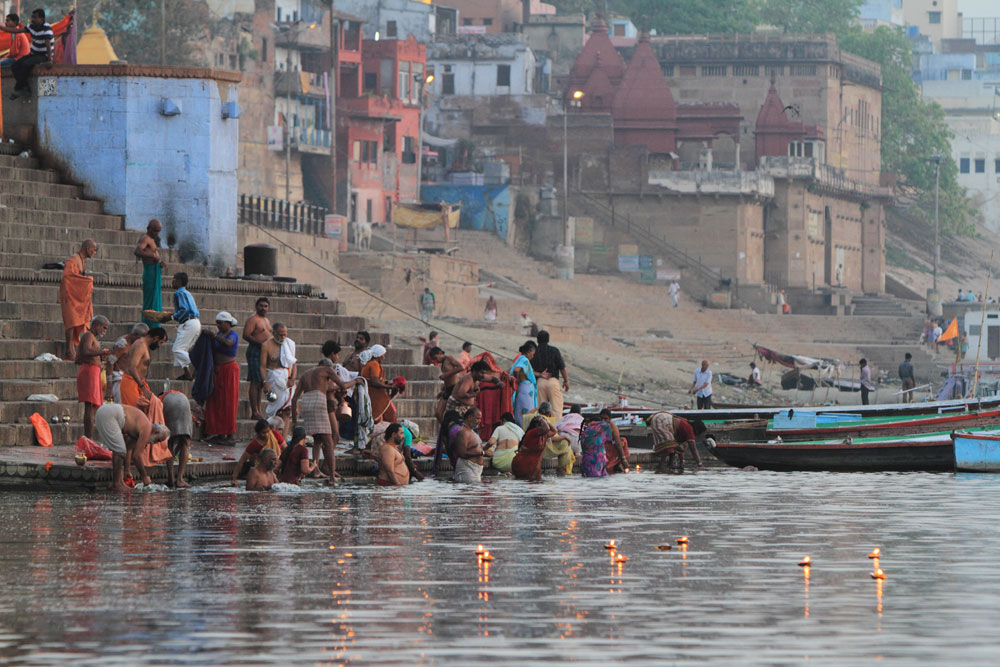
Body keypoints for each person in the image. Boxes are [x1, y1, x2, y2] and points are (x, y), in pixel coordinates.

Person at [291, 354, 358, 483]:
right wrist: (355, 382)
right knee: (328, 441)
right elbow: (343, 385)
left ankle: (316, 471)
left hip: (306, 403)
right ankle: (332, 477)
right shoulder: (327, 369)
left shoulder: (306, 374)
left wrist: (294, 421)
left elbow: (294, 399)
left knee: (317, 438)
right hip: (318, 401)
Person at [94, 403, 168, 493]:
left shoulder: (141, 427)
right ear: (156, 432)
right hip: (110, 414)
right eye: (158, 440)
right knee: (120, 451)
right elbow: (137, 456)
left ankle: (119, 483)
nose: (155, 443)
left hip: (105, 411)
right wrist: (144, 476)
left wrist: (127, 470)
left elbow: (128, 447)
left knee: (120, 450)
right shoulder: (147, 428)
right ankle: (116, 484)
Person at [203, 312, 240, 444]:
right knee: (216, 401)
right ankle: (219, 433)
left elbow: (228, 343)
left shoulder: (232, 335)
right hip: (218, 370)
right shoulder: (218, 334)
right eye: (217, 323)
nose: (218, 325)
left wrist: (213, 336)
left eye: (220, 323)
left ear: (227, 323)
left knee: (228, 402)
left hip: (229, 371)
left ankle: (230, 435)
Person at [0, 9, 54, 98]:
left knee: (25, 64)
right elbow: (15, 30)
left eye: (35, 17)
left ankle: (18, 88)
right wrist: (1, 27)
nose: (32, 19)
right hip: (33, 54)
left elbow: (48, 45)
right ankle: (25, 88)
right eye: (32, 17)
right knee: (15, 66)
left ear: (41, 18)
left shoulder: (46, 28)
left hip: (43, 55)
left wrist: (49, 60)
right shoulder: (31, 26)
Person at [59, 239, 97, 361]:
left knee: (75, 321)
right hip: (69, 295)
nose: (94, 252)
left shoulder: (81, 261)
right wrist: (88, 282)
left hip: (76, 296)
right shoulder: (72, 260)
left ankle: (71, 348)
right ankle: (68, 350)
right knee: (71, 321)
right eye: (94, 250)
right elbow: (68, 277)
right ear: (87, 248)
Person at [76, 315, 110, 439]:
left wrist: (101, 360)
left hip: (93, 371)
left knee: (94, 406)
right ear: (97, 326)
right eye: (104, 328)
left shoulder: (91, 338)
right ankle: (88, 438)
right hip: (88, 372)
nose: (105, 331)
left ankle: (88, 437)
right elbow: (85, 351)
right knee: (90, 406)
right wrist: (102, 352)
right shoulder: (88, 336)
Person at [121, 327, 168, 407]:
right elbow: (132, 368)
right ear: (156, 338)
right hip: (131, 382)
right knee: (134, 413)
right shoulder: (140, 345)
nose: (159, 346)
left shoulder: (144, 345)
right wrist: (142, 387)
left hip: (138, 383)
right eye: (161, 342)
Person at [242, 297, 271, 420]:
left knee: (260, 382)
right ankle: (254, 411)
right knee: (255, 381)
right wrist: (260, 344)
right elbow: (246, 335)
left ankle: (258, 410)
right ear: (256, 306)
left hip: (264, 353)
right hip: (255, 351)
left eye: (265, 306)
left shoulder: (266, 320)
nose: (263, 308)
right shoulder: (252, 319)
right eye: (261, 306)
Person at [231, 418, 284, 485]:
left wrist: (281, 462)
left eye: (268, 431)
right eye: (263, 432)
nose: (267, 435)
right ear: (258, 433)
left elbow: (287, 449)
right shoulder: (254, 444)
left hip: (277, 467)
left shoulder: (275, 434)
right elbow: (241, 461)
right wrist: (234, 479)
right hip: (264, 470)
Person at [261, 322, 296, 422]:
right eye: (281, 334)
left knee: (287, 411)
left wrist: (293, 378)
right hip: (274, 380)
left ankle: (283, 437)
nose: (283, 337)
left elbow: (294, 364)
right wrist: (265, 382)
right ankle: (273, 434)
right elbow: (262, 367)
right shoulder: (266, 345)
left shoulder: (289, 344)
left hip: (287, 380)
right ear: (274, 333)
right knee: (276, 411)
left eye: (285, 334)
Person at [106, 323, 149, 403]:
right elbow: (110, 362)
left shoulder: (138, 345)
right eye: (141, 338)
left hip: (132, 382)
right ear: (134, 335)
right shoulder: (122, 344)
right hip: (120, 382)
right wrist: (109, 386)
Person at [135, 219, 166, 327]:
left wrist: (160, 263)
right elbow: (137, 251)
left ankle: (155, 324)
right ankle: (148, 325)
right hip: (150, 273)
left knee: (155, 301)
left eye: (159, 231)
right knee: (149, 302)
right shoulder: (146, 239)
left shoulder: (152, 240)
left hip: (155, 271)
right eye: (155, 230)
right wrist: (152, 256)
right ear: (149, 228)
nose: (157, 233)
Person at [169, 272, 201, 381]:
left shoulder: (179, 293)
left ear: (179, 281)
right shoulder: (187, 293)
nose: (172, 281)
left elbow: (184, 309)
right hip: (195, 323)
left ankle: (199, 366)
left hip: (189, 323)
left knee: (177, 349)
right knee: (183, 349)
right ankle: (188, 374)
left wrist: (172, 317)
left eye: (174, 279)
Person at [162, 391, 195, 488]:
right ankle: (180, 479)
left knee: (170, 442)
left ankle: (171, 478)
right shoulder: (178, 394)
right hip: (184, 402)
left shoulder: (161, 399)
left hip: (169, 404)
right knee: (185, 443)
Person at [532, 330, 568, 418]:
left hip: (540, 383)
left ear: (537, 340)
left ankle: (541, 429)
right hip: (553, 382)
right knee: (556, 409)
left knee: (541, 411)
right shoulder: (554, 350)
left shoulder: (534, 352)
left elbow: (529, 370)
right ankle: (555, 430)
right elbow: (562, 368)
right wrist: (566, 381)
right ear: (548, 340)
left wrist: (540, 374)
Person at [511, 415, 558, 481]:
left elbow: (554, 430)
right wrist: (542, 419)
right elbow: (546, 428)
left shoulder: (544, 435)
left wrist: (545, 420)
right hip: (523, 464)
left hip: (532, 465)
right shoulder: (531, 433)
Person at [361, 344, 399, 424]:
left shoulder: (369, 364)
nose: (384, 358)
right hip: (375, 397)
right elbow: (375, 381)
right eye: (383, 355)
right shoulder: (374, 364)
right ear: (379, 355)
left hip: (370, 396)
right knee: (391, 418)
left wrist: (386, 383)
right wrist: (390, 387)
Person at [429, 346, 464, 421]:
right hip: (447, 390)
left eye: (435, 358)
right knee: (438, 413)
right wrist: (442, 391)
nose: (435, 360)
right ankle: (445, 429)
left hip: (454, 389)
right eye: (434, 359)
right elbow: (446, 380)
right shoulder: (442, 364)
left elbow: (461, 367)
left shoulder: (449, 358)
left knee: (453, 414)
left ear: (440, 353)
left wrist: (446, 374)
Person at [451, 407, 485, 483]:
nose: (479, 421)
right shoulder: (463, 432)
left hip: (475, 470)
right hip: (467, 469)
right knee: (467, 493)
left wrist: (486, 449)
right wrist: (481, 453)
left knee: (474, 493)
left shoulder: (472, 431)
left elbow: (475, 447)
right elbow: (461, 453)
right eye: (477, 418)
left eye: (480, 419)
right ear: (469, 417)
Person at [510, 341, 538, 424]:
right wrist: (517, 379)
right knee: (527, 415)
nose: (533, 356)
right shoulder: (524, 359)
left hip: (523, 389)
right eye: (533, 354)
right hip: (525, 390)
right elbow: (516, 370)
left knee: (521, 413)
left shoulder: (520, 358)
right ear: (529, 352)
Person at [599, 408, 630, 473]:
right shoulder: (598, 426)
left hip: (610, 449)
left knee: (623, 441)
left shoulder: (613, 426)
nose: (603, 420)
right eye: (601, 418)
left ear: (610, 419)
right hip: (601, 449)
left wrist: (623, 459)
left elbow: (618, 443)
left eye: (605, 418)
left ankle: (619, 463)